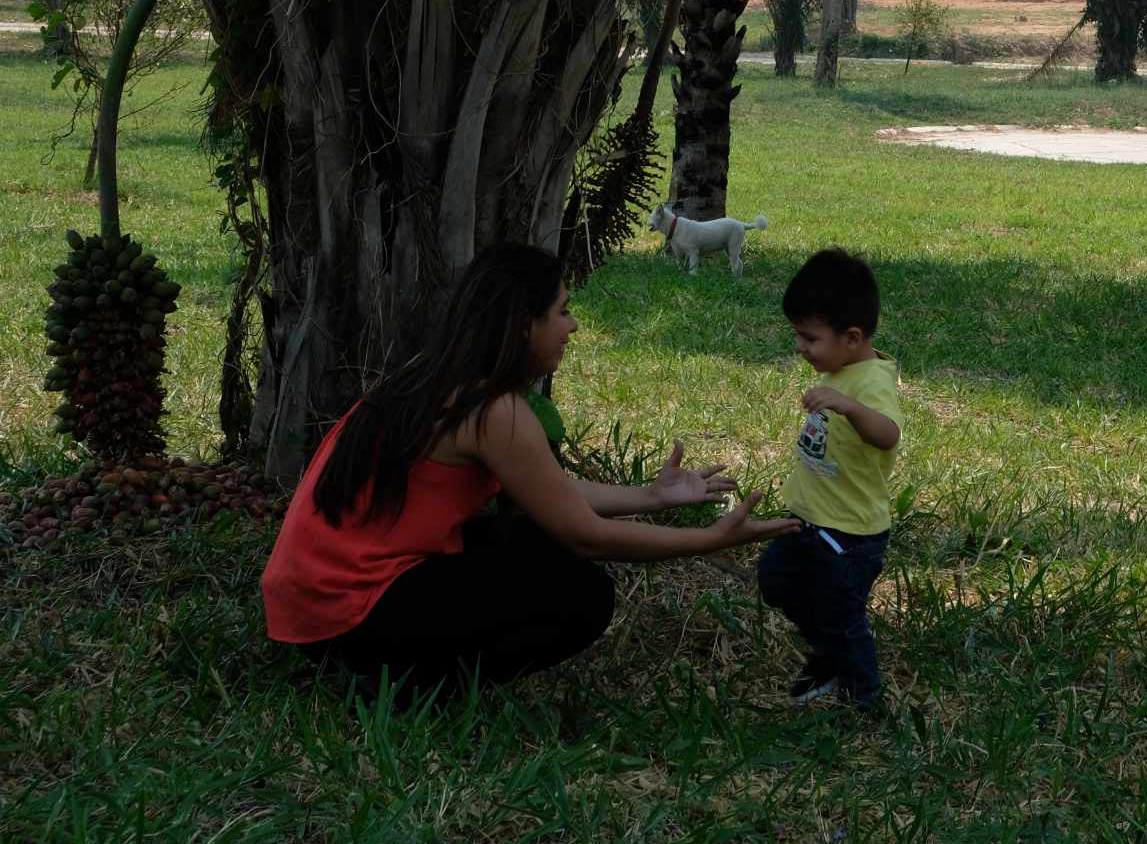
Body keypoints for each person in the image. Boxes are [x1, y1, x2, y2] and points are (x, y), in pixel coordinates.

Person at [260, 242, 796, 698]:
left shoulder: (434, 377)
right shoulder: (492, 410)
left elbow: (553, 493)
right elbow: (584, 535)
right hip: (350, 616)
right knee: (583, 596)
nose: (573, 325)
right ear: (523, 324)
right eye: (561, 311)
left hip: (313, 611)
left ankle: (387, 664)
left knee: (531, 538)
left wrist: (651, 495)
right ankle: (407, 688)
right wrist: (709, 540)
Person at [757, 248, 903, 711]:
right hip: (810, 518)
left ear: (853, 337)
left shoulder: (871, 382)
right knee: (775, 580)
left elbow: (888, 434)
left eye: (809, 337)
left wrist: (852, 408)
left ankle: (863, 697)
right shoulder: (840, 368)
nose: (800, 346)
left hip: (851, 533)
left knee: (844, 616)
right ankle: (832, 654)